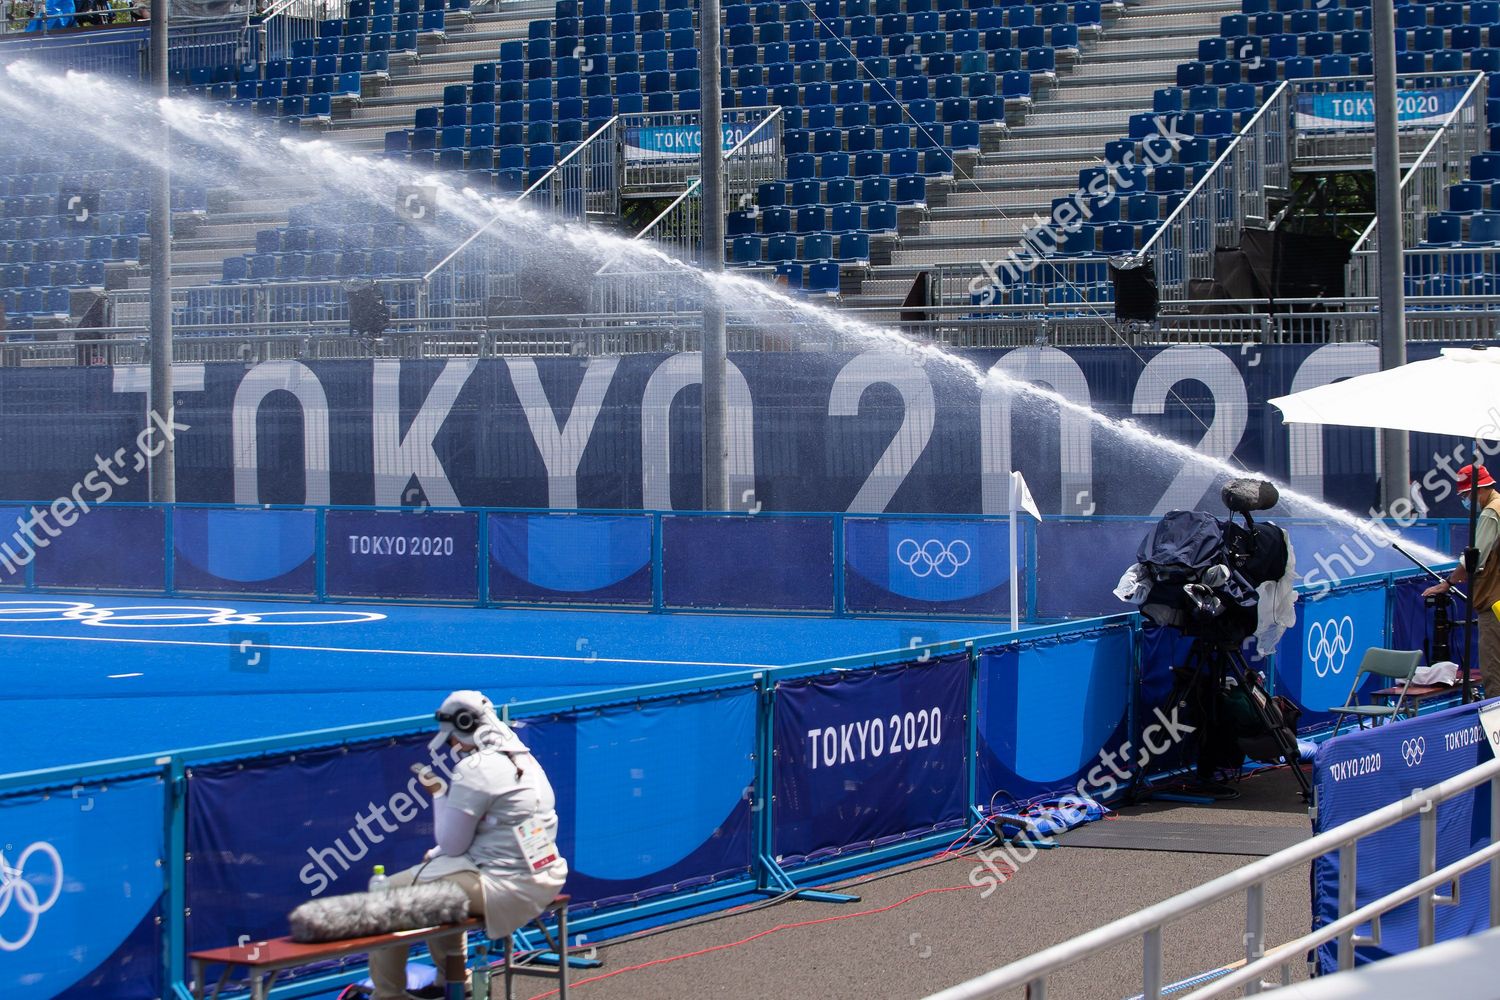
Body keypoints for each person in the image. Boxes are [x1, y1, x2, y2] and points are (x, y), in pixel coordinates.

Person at [368, 691, 569, 1000]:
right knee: (434, 878)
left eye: (451, 738)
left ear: (463, 726)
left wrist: (438, 794)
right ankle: (452, 983)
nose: (452, 746)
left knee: (387, 893)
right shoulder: (525, 760)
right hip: (544, 876)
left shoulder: (476, 768)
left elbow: (450, 845)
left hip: (504, 887)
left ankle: (388, 995)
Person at [1423, 464, 1500, 697]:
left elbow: (1473, 559)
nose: (1466, 501)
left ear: (1480, 490)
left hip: (1495, 604)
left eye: (1466, 495)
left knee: (1493, 670)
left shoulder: (1491, 514)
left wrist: (1448, 583)